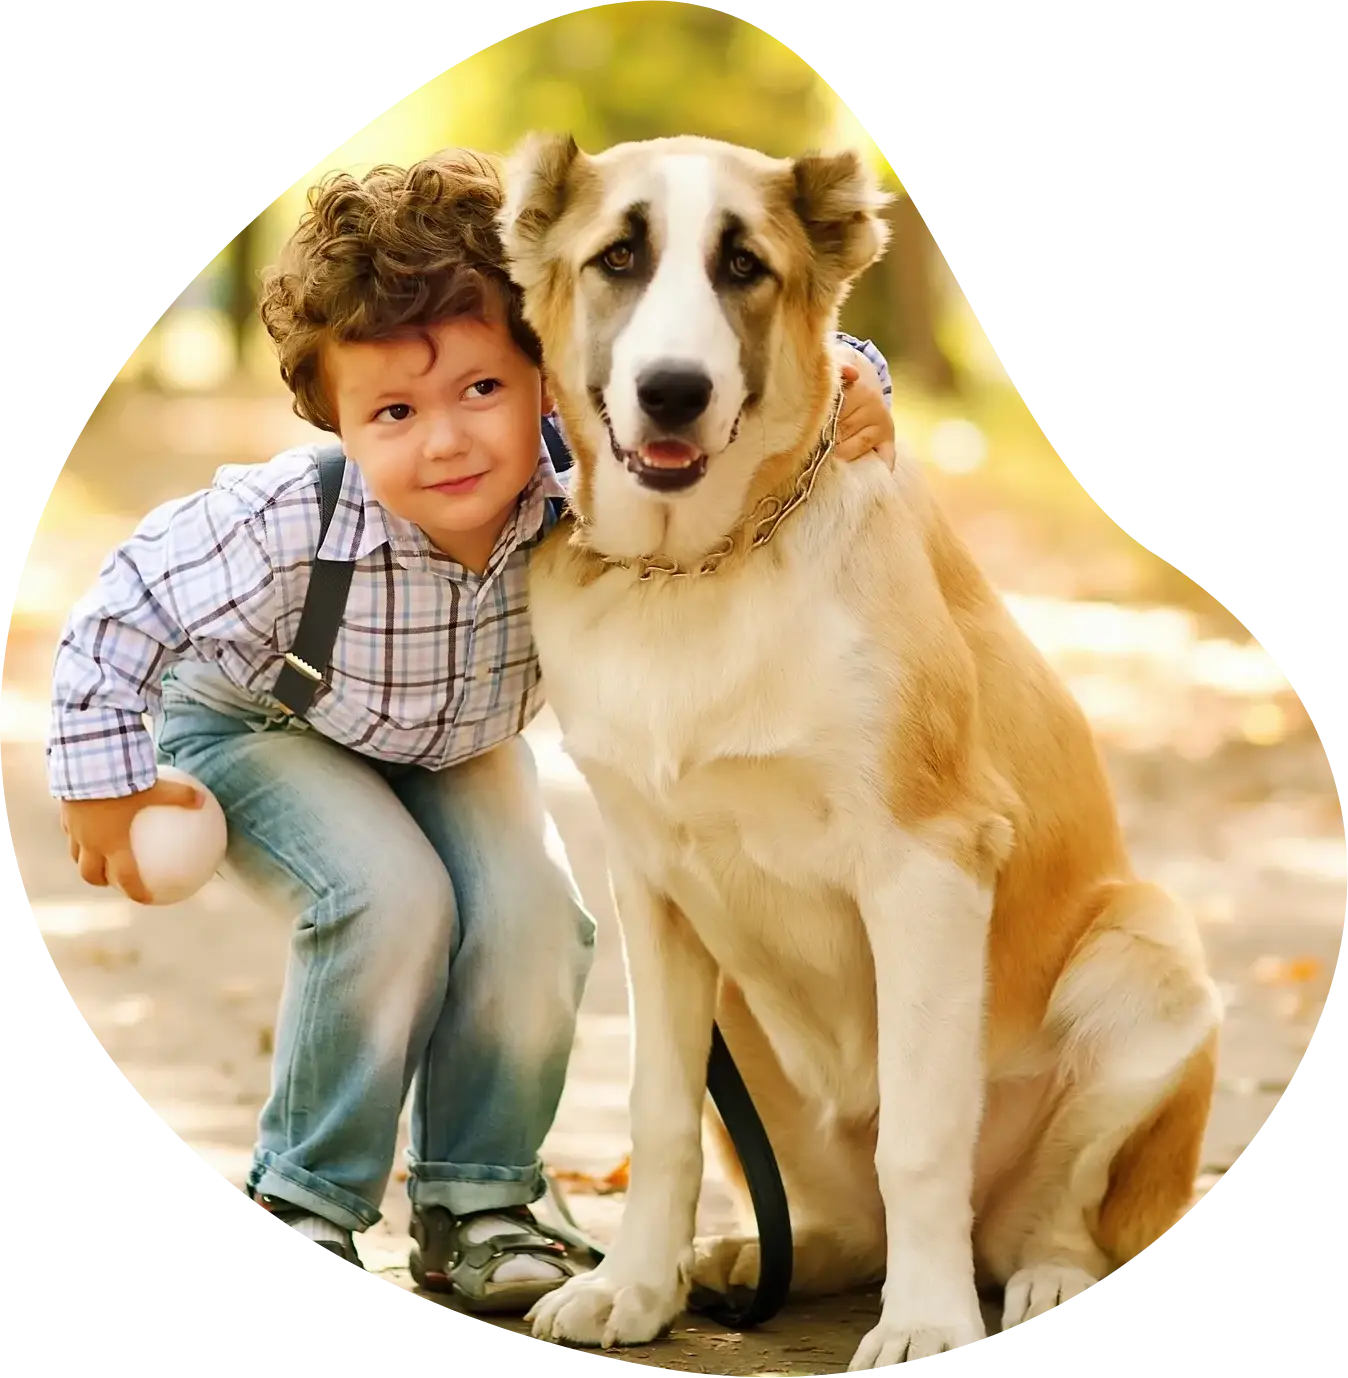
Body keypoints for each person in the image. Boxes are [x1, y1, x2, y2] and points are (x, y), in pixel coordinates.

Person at [46, 147, 898, 1313]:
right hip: (258, 723)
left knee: (539, 915)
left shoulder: (576, 475)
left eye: (481, 391)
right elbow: (121, 606)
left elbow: (754, 345)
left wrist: (859, 371)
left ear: (550, 370)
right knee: (390, 899)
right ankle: (308, 1197)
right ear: (331, 415)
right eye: (392, 410)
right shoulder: (285, 523)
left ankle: (480, 1202)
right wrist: (102, 785)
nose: (445, 441)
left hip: (452, 744)